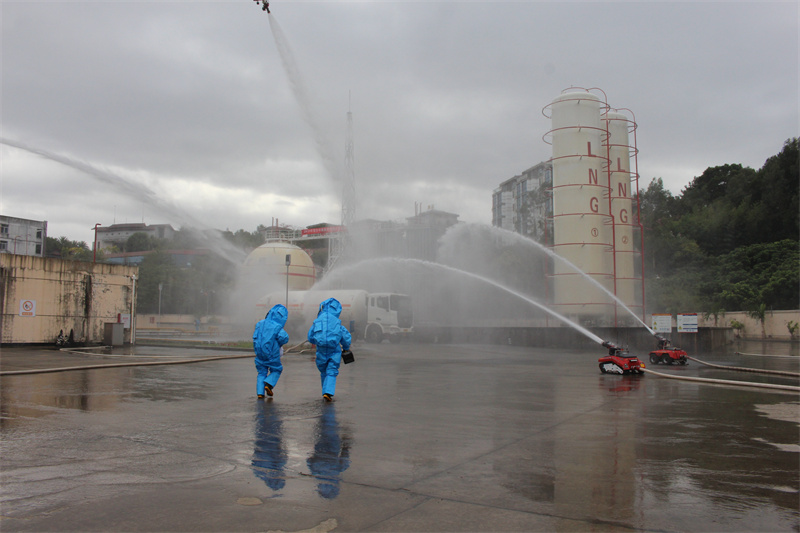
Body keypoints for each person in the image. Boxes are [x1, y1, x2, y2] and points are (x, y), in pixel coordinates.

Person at [307, 298, 352, 402]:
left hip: (321, 352)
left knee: (323, 371)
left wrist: (318, 341)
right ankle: (328, 392)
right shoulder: (337, 323)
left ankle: (325, 391)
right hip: (334, 352)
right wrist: (345, 348)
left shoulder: (317, 321)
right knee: (331, 371)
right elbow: (346, 338)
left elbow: (310, 337)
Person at [253, 304, 290, 399]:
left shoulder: (259, 324)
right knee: (277, 369)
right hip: (272, 354)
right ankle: (269, 384)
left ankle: (260, 393)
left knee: (261, 372)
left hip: (259, 354)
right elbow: (284, 338)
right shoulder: (277, 326)